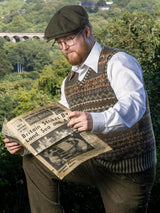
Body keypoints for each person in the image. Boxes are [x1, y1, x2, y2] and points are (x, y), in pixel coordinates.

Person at [4, 5, 156, 213]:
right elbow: (58, 126)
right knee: (33, 160)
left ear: (87, 32)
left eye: (69, 40)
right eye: (59, 43)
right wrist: (26, 144)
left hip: (127, 169)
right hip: (92, 161)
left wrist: (96, 120)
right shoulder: (69, 82)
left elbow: (133, 105)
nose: (64, 47)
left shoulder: (118, 61)